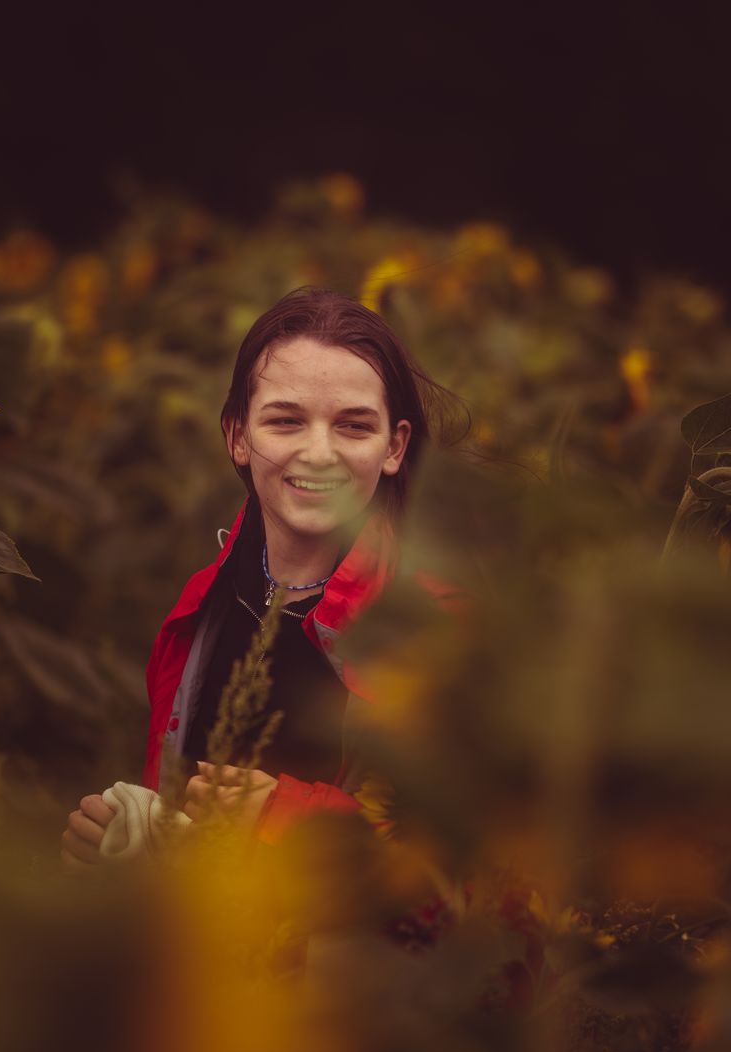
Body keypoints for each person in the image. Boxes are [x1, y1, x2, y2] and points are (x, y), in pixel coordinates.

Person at [61, 286, 465, 871]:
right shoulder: (202, 607)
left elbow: (458, 865)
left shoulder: (434, 630)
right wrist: (126, 837)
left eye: (354, 426)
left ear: (394, 447)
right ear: (238, 437)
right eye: (286, 420)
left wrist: (281, 816)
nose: (319, 452)